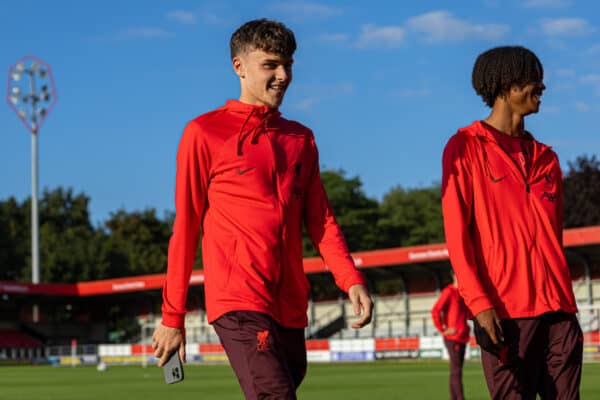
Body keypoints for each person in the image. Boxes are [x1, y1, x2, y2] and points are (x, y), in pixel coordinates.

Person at [152, 18, 373, 399]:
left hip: (289, 303)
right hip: (238, 298)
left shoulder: (301, 139)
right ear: (239, 67)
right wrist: (173, 317)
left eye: (288, 64)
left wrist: (350, 279)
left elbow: (320, 220)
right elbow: (185, 230)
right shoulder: (203, 133)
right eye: (270, 65)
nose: (283, 75)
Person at [441, 45, 583, 399]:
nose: (542, 87)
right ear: (507, 85)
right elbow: (457, 237)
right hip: (504, 312)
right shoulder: (464, 148)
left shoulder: (548, 159)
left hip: (560, 311)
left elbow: (555, 238)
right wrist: (479, 304)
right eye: (533, 79)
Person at [431, 270, 470, 400]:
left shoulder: (463, 293)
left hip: (463, 336)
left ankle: (455, 398)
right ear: (453, 276)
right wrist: (443, 329)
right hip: (453, 338)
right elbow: (435, 310)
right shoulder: (449, 292)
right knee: (456, 371)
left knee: (456, 371)